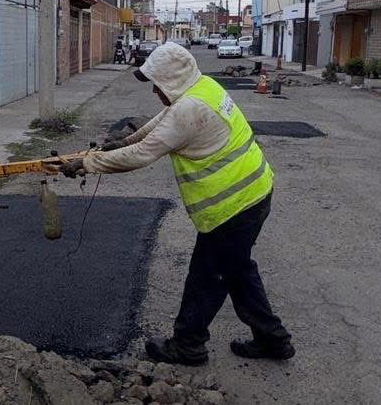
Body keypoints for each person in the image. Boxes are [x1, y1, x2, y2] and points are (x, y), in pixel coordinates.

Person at [59, 42, 293, 366]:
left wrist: (88, 163)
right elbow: (161, 121)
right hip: (255, 192)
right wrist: (125, 139)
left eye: (158, 84)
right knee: (236, 270)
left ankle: (188, 345)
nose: (155, 91)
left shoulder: (189, 109)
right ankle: (273, 339)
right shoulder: (203, 87)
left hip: (233, 206)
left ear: (172, 81)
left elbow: (142, 154)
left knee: (207, 276)